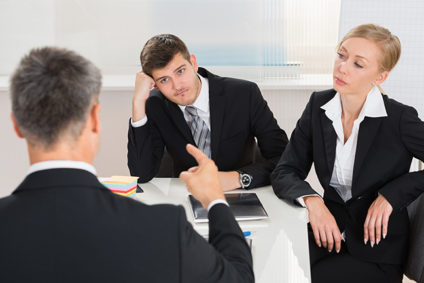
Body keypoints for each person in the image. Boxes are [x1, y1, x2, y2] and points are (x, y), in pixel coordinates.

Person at [0, 47, 253, 283]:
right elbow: (238, 277)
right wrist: (215, 202)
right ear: (95, 120)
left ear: (17, 126)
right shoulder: (163, 228)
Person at [271, 24, 424, 283]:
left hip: (376, 247)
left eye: (358, 64)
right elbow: (285, 170)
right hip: (325, 234)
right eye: (341, 55)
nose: (342, 67)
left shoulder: (399, 119)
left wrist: (391, 195)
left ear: (381, 76)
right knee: (273, 269)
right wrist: (313, 201)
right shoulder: (318, 106)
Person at [127, 34, 288, 191]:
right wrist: (138, 103)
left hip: (239, 193)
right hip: (186, 196)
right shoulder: (155, 105)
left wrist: (238, 178)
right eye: (164, 80)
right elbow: (141, 174)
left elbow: (283, 160)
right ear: (154, 84)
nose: (177, 86)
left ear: (193, 63)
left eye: (180, 71)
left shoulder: (244, 95)